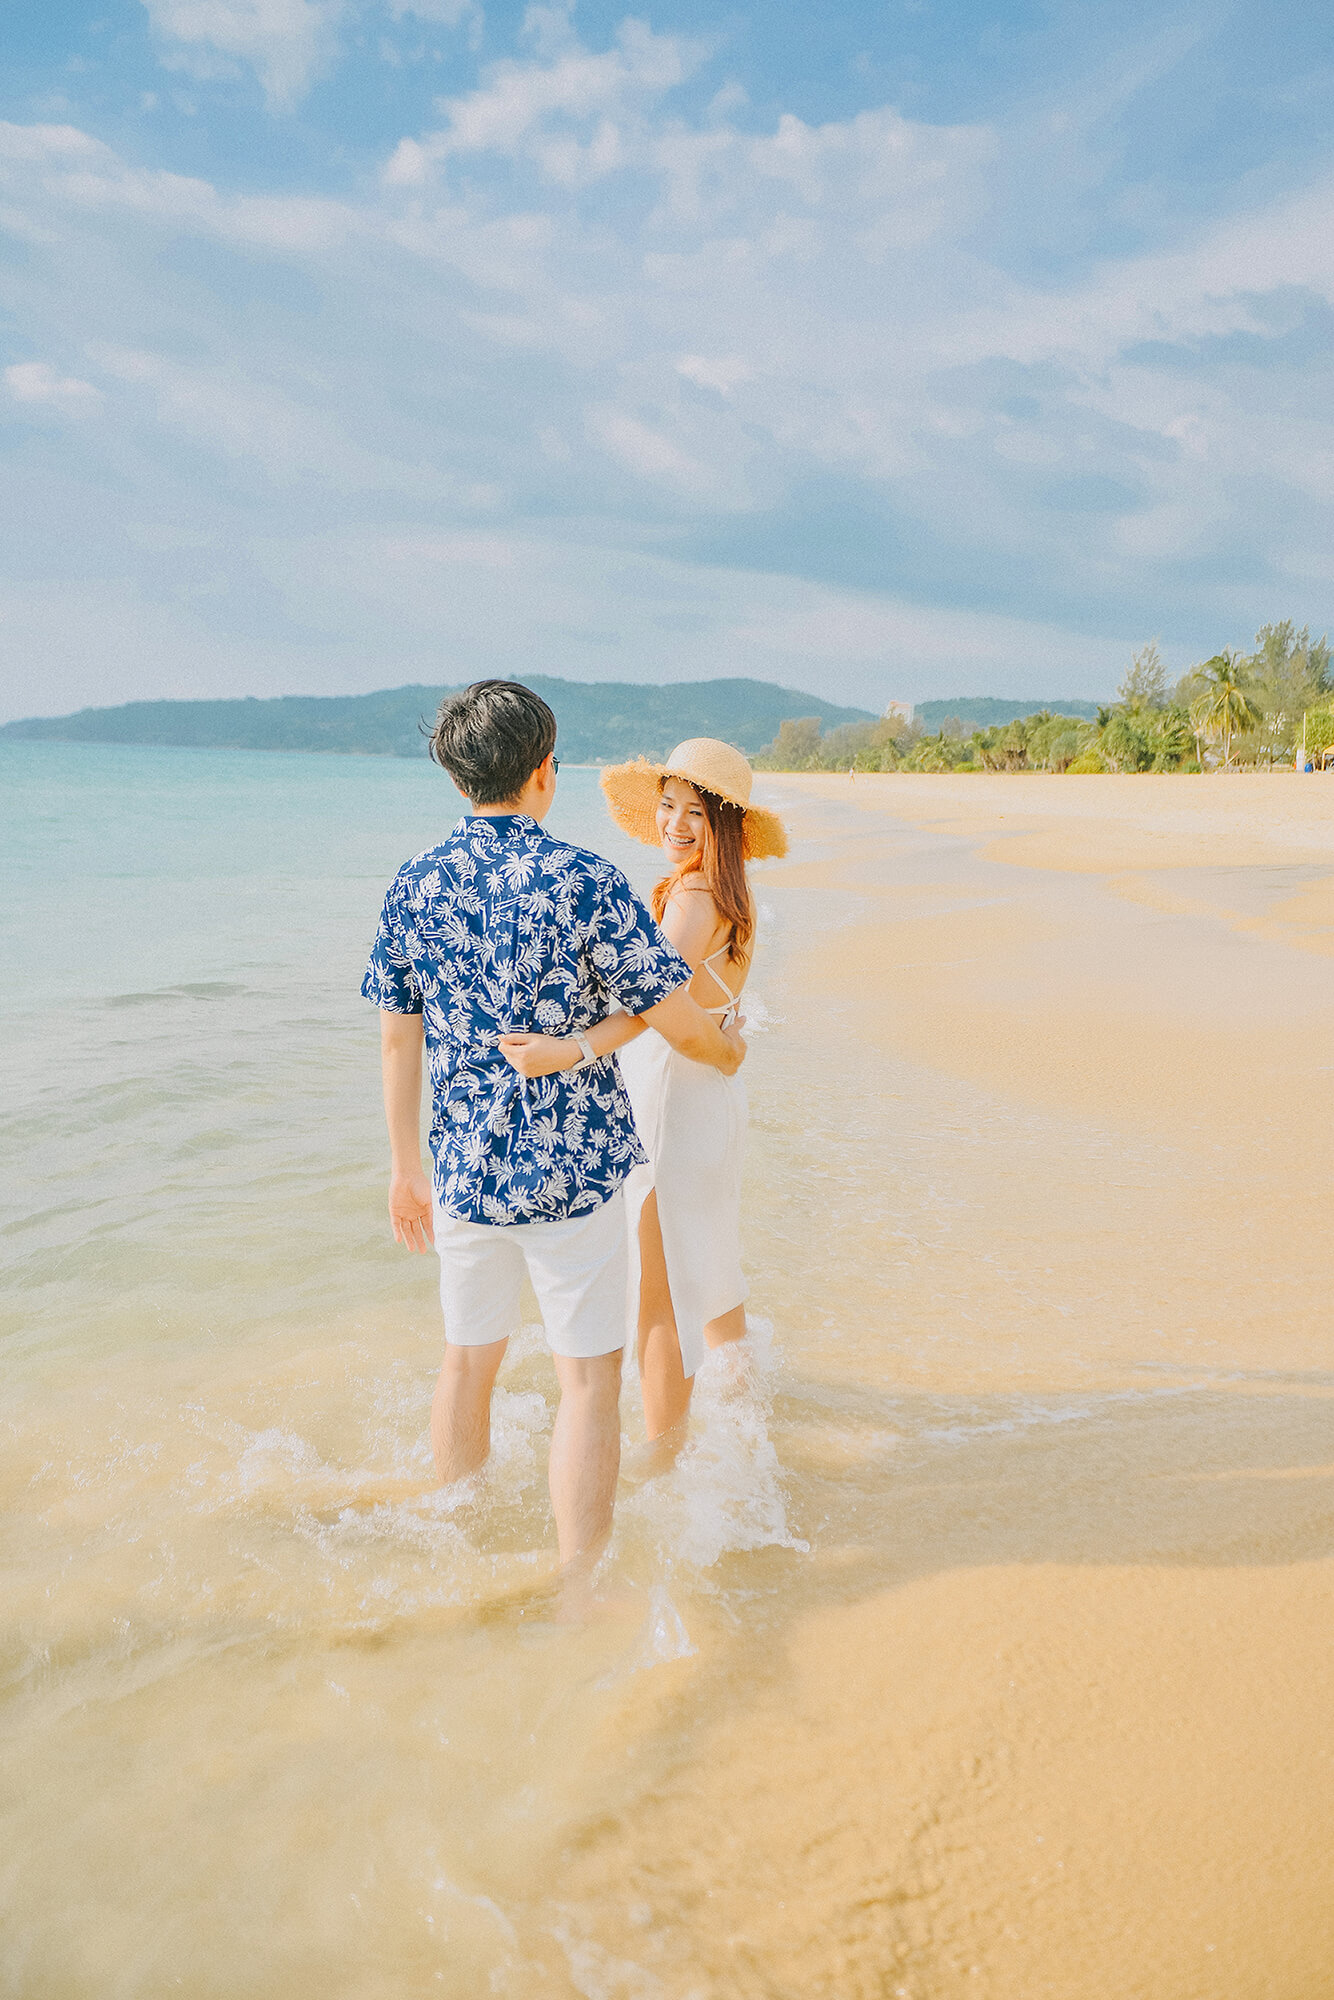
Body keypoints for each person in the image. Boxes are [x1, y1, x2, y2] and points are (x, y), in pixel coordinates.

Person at [362, 684, 745, 1578]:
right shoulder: (587, 881)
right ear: (544, 772)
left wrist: (403, 1168)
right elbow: (673, 1013)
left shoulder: (414, 882)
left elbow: (395, 1037)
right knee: (587, 1384)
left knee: (465, 1364)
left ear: (461, 778)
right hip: (571, 1174)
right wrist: (725, 1055)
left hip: (462, 1171)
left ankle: (453, 1546)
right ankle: (580, 1586)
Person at [500, 738, 786, 1459]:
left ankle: (665, 1466)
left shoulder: (692, 895)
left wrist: (572, 1048)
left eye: (695, 812)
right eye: (666, 806)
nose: (674, 824)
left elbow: (651, 1000)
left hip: (674, 1102)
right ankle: (748, 1431)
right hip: (709, 1100)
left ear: (724, 825)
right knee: (712, 1267)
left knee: (656, 1296)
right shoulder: (731, 893)